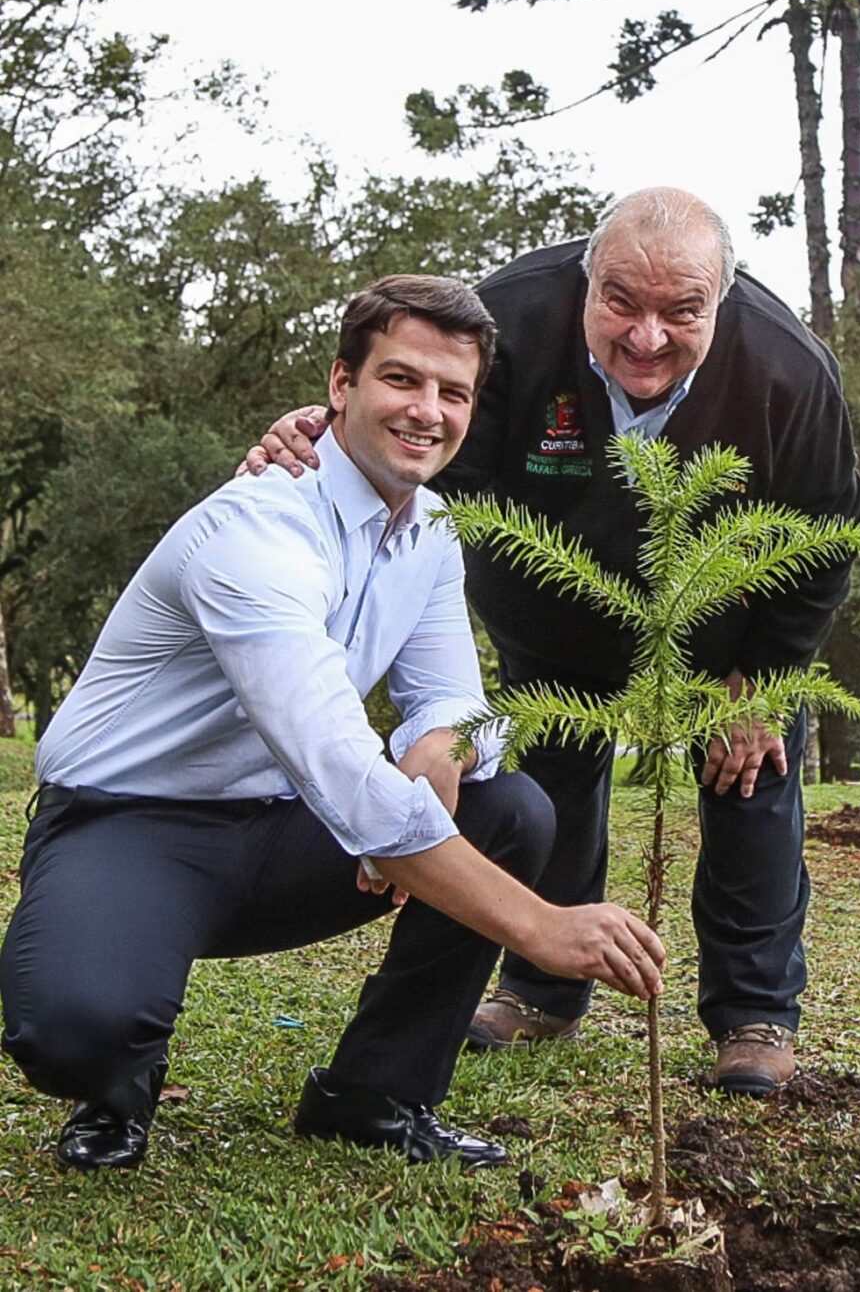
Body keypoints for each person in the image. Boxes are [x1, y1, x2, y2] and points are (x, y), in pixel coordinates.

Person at [0, 274, 664, 1173]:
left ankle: (376, 1096)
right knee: (74, 1031)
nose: (428, 410)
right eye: (402, 379)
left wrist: (439, 742)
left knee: (508, 810)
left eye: (453, 391)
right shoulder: (257, 530)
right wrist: (541, 929)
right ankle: (121, 1076)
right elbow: (342, 768)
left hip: (285, 830)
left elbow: (454, 699)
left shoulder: (429, 527)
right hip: (133, 822)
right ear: (340, 385)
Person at [247, 192, 860, 1094]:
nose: (648, 336)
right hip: (550, 610)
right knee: (552, 789)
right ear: (585, 278)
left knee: (751, 787)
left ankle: (754, 1013)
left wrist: (763, 679)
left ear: (722, 299)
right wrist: (313, 432)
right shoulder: (511, 323)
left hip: (728, 631)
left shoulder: (787, 370)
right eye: (621, 301)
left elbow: (833, 527)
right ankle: (543, 987)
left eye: (681, 311)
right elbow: (419, 435)